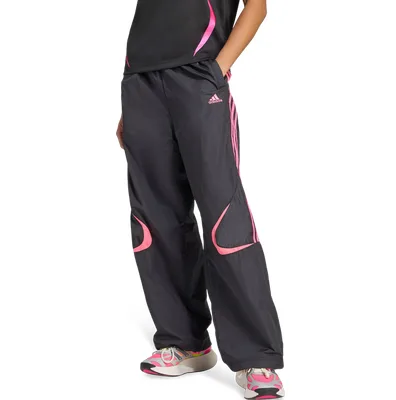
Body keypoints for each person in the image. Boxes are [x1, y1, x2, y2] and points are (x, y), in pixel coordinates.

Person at [116, 0, 285, 398]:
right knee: (154, 218)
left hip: (199, 76)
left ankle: (255, 356)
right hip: (140, 81)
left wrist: (217, 69)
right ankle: (185, 341)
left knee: (224, 215)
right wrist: (132, 98)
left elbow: (257, 6)